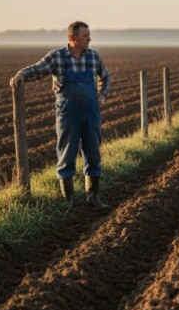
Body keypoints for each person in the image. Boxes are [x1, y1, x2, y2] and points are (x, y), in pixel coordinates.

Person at [9, 21, 110, 209]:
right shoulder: (57, 57)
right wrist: (22, 73)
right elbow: (38, 69)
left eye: (89, 35)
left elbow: (105, 77)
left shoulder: (94, 57)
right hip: (67, 114)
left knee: (94, 153)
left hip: (91, 113)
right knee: (66, 153)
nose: (90, 39)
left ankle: (93, 196)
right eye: (85, 36)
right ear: (73, 38)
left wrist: (102, 95)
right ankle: (68, 199)